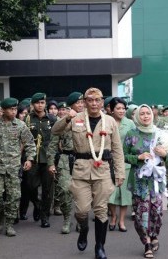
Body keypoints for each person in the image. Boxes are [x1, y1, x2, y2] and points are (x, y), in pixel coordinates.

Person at [51, 87, 125, 259]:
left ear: (102, 102)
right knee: (82, 211)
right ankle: (83, 229)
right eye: (89, 100)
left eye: (97, 100)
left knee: (100, 210)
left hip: (103, 170)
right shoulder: (75, 118)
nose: (93, 103)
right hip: (81, 170)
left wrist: (120, 172)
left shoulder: (110, 121)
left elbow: (117, 149)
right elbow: (55, 130)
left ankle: (100, 247)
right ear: (84, 102)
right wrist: (67, 118)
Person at [0, 98, 36, 237]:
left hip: (14, 167)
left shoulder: (21, 125)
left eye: (15, 109)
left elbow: (29, 143)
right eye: (11, 109)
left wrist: (29, 159)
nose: (14, 112)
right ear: (3, 110)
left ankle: (9, 224)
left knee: (14, 196)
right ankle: (1, 213)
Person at [123, 104, 167, 258]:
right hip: (139, 180)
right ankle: (146, 242)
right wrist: (138, 158)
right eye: (142, 114)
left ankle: (155, 234)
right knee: (142, 213)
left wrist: (165, 153)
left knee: (157, 212)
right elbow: (123, 155)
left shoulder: (159, 134)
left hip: (155, 179)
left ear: (152, 115)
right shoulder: (131, 134)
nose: (145, 116)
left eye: (148, 113)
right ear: (136, 117)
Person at [47, 92, 84, 234]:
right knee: (64, 190)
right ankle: (67, 218)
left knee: (81, 193)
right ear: (72, 105)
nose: (81, 105)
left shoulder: (89, 119)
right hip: (65, 159)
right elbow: (53, 143)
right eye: (78, 103)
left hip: (83, 159)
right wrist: (51, 163)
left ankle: (80, 219)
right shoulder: (64, 120)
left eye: (82, 102)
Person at [24, 93, 57, 227]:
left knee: (47, 190)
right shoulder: (27, 119)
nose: (40, 105)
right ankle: (37, 205)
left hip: (48, 158)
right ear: (33, 104)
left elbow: (56, 139)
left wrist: (54, 159)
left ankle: (45, 216)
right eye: (37, 103)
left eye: (42, 103)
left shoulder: (53, 119)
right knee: (30, 186)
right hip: (33, 158)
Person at [108, 97, 135, 232]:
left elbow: (135, 142)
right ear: (112, 110)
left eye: (123, 108)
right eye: (118, 108)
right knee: (111, 193)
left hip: (125, 162)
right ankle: (113, 216)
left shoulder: (130, 123)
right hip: (108, 162)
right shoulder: (106, 122)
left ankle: (122, 221)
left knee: (124, 194)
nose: (121, 111)